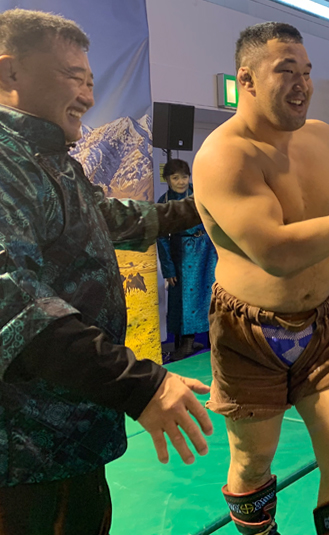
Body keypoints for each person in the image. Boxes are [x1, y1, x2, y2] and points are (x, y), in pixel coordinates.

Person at [0, 10, 213, 534]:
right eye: (73, 77)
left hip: (70, 438)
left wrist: (210, 207)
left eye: (91, 82)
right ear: (9, 72)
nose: (88, 97)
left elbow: (119, 218)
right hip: (23, 457)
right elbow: (18, 309)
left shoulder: (51, 159)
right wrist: (139, 386)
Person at [191, 22, 329, 535]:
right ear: (246, 79)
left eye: (306, 72)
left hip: (326, 325)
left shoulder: (323, 137)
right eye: (286, 71)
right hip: (248, 334)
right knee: (251, 465)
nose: (302, 84)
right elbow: (277, 253)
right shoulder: (224, 155)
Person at [157, 158, 218, 361]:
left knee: (211, 295)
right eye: (175, 178)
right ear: (167, 179)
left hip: (207, 250)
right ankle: (185, 344)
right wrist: (168, 269)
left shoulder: (199, 195)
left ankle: (215, 342)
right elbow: (161, 238)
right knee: (184, 298)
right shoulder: (165, 202)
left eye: (184, 177)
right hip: (182, 253)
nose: (181, 182)